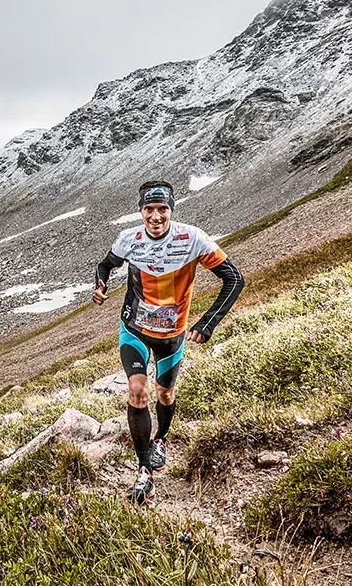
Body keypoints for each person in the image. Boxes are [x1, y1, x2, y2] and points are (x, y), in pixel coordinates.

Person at [92, 180, 244, 504]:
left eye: (162, 209)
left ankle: (161, 438)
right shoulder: (129, 239)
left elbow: (234, 278)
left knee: (165, 393)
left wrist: (207, 323)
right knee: (137, 390)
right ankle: (144, 470)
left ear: (171, 211)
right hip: (133, 328)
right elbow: (106, 264)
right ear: (141, 211)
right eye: (149, 209)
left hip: (172, 336)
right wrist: (101, 284)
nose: (156, 216)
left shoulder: (192, 239)